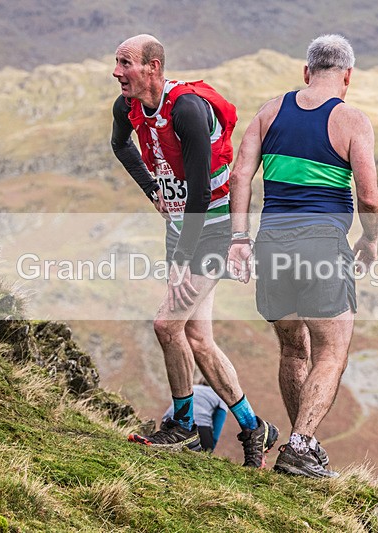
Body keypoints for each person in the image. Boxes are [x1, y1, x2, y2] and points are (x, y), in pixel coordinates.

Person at [109, 34, 278, 467]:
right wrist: (153, 192)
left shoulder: (185, 109)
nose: (116, 72)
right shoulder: (125, 108)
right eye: (116, 63)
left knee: (167, 325)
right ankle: (254, 425)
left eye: (125, 63)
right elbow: (120, 145)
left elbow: (201, 192)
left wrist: (183, 261)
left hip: (214, 228)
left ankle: (183, 426)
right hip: (182, 228)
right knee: (198, 339)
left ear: (153, 66)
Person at [227, 34, 378, 478]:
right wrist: (370, 240)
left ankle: (302, 449)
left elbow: (240, 174)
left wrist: (239, 239)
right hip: (322, 245)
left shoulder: (270, 112)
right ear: (348, 77)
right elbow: (369, 199)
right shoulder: (352, 121)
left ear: (306, 71)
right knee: (331, 352)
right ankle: (300, 445)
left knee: (293, 350)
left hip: (272, 243)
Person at [162, 380, 228, 452]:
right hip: (200, 427)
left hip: (169, 422)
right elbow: (218, 424)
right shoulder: (221, 396)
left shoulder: (192, 388)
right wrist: (211, 447)